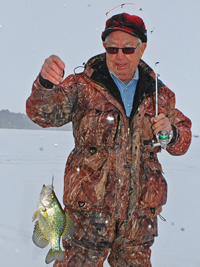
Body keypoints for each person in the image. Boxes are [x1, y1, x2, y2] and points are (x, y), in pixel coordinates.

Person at [26, 13, 191, 267]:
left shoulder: (159, 95)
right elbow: (42, 114)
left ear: (142, 48)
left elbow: (182, 141)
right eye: (112, 48)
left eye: (127, 48)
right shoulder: (82, 86)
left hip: (138, 228)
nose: (119, 56)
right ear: (104, 47)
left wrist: (170, 134)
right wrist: (46, 84)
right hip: (86, 223)